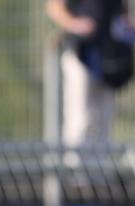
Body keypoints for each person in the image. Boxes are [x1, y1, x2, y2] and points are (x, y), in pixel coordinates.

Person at [46, 0, 130, 145]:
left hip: (108, 57)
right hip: (80, 55)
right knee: (81, 120)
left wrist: (127, 20)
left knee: (104, 118)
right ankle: (75, 160)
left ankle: (100, 160)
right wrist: (74, 24)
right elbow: (54, 6)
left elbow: (123, 9)